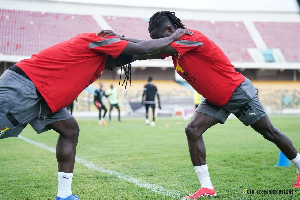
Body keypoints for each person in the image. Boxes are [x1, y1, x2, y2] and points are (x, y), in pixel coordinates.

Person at [101, 11, 300, 198]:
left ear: (170, 31)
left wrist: (122, 38)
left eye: (159, 37)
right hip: (214, 98)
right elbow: (149, 49)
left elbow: (155, 46)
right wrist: (121, 38)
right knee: (193, 130)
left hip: (236, 92)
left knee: (269, 133)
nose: (158, 42)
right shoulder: (174, 47)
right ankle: (206, 187)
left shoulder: (190, 37)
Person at [0, 28, 192, 200]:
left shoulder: (99, 61)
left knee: (70, 130)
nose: (117, 63)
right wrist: (174, 36)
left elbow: (139, 54)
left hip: (46, 95)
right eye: (119, 56)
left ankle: (64, 195)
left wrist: (170, 50)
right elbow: (140, 48)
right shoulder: (95, 39)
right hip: (24, 84)